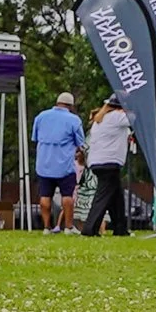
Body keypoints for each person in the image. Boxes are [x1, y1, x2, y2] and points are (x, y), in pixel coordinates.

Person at [32, 90, 88, 233]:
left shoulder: (41, 116)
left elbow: (35, 138)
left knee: (45, 196)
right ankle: (68, 227)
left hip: (44, 164)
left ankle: (46, 227)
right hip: (65, 165)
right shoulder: (74, 120)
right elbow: (80, 142)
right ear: (71, 106)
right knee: (67, 196)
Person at [80, 96, 135, 237]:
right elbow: (134, 119)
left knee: (116, 197)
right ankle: (89, 229)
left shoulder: (100, 120)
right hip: (109, 163)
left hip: (98, 162)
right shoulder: (117, 117)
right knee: (102, 197)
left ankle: (120, 228)